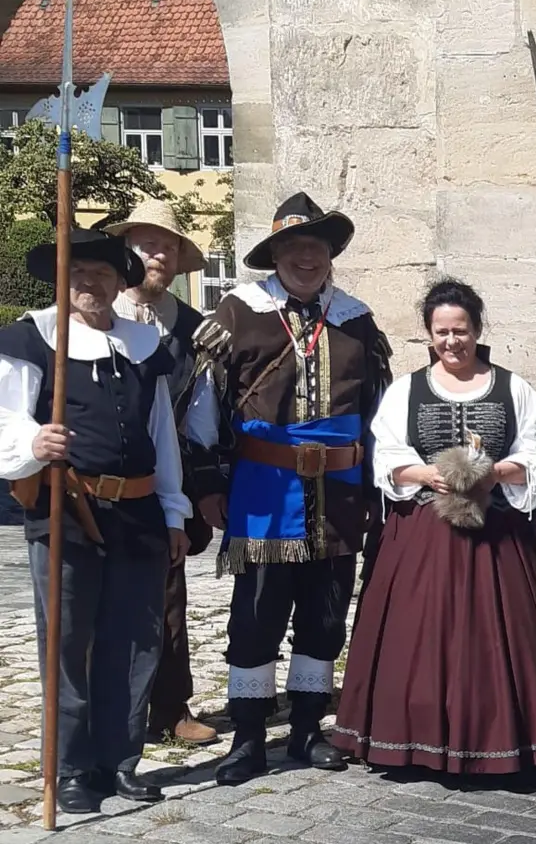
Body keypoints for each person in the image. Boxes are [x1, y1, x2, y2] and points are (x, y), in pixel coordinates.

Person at [185, 192, 393, 785]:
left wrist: (374, 492)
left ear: (331, 255)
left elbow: (378, 413)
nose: (307, 258)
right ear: (275, 255)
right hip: (263, 488)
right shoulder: (239, 312)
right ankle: (249, 738)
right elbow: (202, 408)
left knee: (325, 614)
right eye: (294, 247)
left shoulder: (356, 319)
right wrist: (207, 482)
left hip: (340, 491)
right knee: (256, 616)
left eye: (316, 247)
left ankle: (306, 729)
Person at [331, 280, 536, 773]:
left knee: (499, 641)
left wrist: (496, 472)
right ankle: (411, 740)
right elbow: (387, 453)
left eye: (460, 331)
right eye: (441, 332)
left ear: (477, 330)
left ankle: (504, 740)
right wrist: (426, 474)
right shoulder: (407, 390)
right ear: (429, 334)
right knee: (415, 639)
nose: (451, 341)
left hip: (498, 536)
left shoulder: (513, 389)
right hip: (423, 535)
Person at [0, 230, 189, 812]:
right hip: (66, 512)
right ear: (62, 278)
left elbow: (162, 433)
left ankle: (119, 760)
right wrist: (34, 442)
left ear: (119, 282)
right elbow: (5, 420)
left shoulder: (143, 344)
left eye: (103, 273)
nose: (90, 283)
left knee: (134, 641)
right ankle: (72, 768)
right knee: (66, 642)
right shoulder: (35, 338)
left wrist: (174, 510)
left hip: (138, 511)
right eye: (78, 272)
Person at [103, 199, 219, 747]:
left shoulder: (195, 329)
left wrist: (204, 486)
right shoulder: (97, 315)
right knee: (100, 600)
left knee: (170, 597)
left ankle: (171, 707)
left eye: (167, 246)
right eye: (147, 244)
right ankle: (106, 713)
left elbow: (203, 415)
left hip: (167, 480)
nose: (158, 254)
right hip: (100, 478)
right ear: (128, 251)